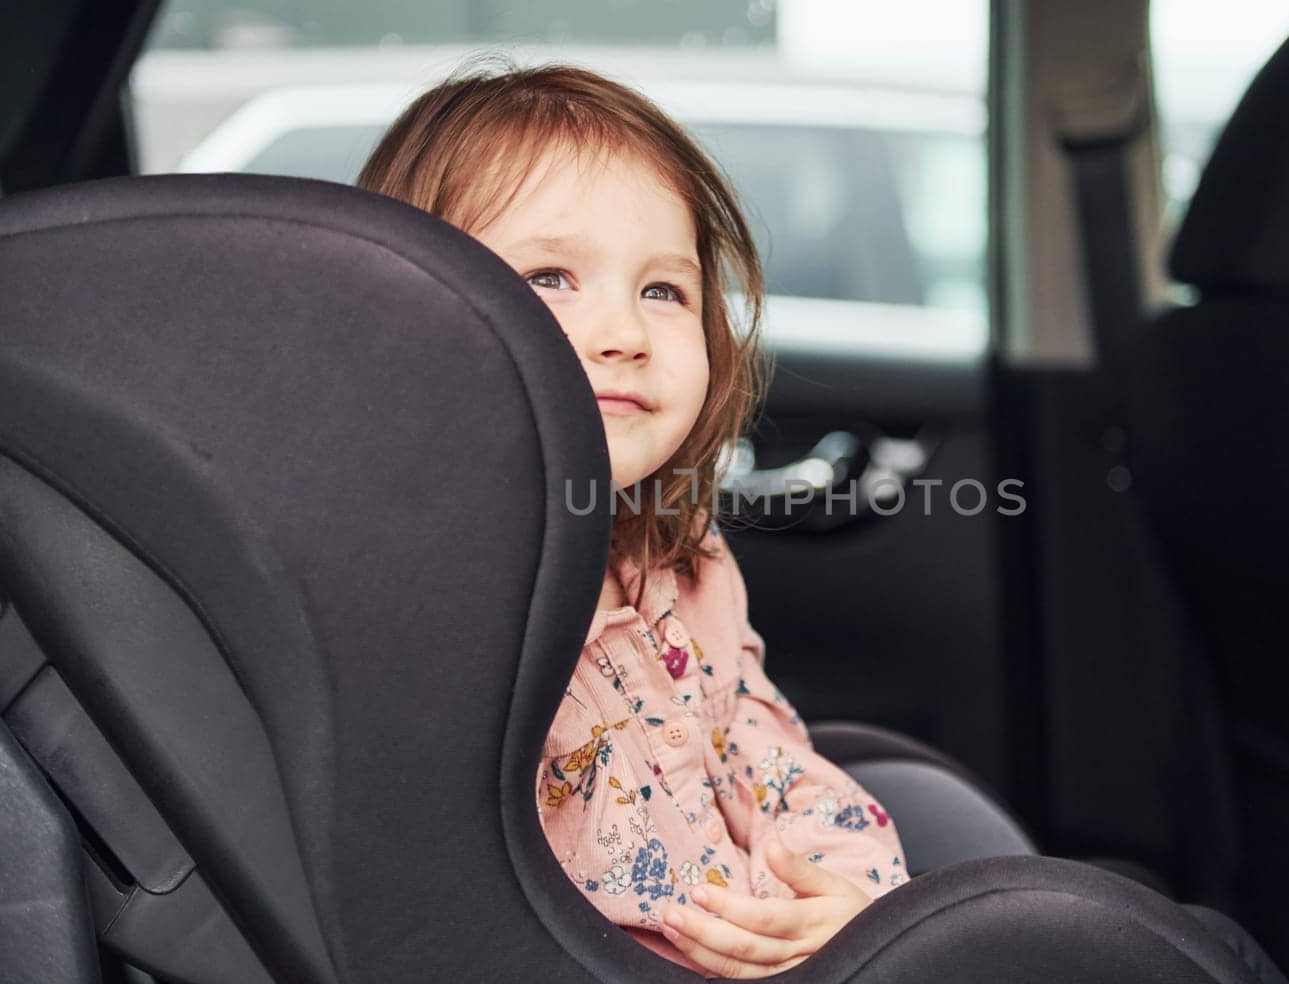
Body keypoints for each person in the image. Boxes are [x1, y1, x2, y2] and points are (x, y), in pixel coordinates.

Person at [355, 61, 908, 978]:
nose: (624, 332)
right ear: (403, 312)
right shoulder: (411, 605)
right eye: (550, 277)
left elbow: (769, 758)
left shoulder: (680, 562)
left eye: (663, 291)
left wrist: (849, 905)